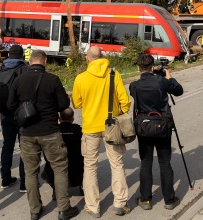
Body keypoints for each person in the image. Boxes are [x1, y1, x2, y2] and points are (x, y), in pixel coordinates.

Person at [8, 50, 80, 220]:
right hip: (50, 131)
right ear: (45, 61)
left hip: (27, 133)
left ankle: (35, 210)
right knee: (60, 169)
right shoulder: (52, 79)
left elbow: (10, 105)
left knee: (31, 172)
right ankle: (64, 209)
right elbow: (64, 104)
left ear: (30, 62)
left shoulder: (19, 80)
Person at [72, 46, 132, 217]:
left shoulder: (81, 78)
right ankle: (120, 203)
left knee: (90, 166)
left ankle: (93, 206)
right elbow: (125, 101)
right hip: (111, 126)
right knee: (117, 164)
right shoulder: (114, 74)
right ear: (103, 57)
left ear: (87, 59)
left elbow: (76, 103)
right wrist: (118, 114)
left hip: (90, 127)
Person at [129, 54, 184, 211]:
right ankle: (169, 200)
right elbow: (179, 91)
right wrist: (169, 78)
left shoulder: (134, 86)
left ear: (138, 68)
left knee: (145, 163)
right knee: (164, 163)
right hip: (162, 127)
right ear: (152, 67)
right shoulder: (161, 81)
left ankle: (145, 199)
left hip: (144, 128)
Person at [0, 44, 27, 190]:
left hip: (5, 113)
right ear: (22, 55)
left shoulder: (1, 69)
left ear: (9, 55)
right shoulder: (25, 69)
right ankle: (24, 182)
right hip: (22, 113)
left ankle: (5, 178)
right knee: (24, 146)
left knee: (7, 145)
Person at [42, 108, 84, 197]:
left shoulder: (54, 131)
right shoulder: (78, 130)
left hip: (58, 164)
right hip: (76, 166)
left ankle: (55, 189)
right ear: (72, 119)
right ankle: (82, 186)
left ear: (59, 119)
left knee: (49, 165)